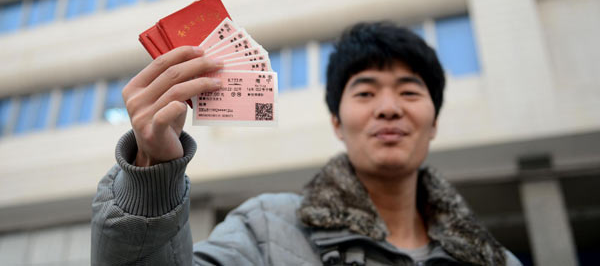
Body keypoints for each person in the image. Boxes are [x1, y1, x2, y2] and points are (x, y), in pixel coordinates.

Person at [92, 22, 522, 265]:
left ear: (433, 123)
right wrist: (151, 178)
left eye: (409, 92)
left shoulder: (497, 261)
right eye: (366, 93)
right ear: (337, 122)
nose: (389, 109)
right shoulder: (264, 229)